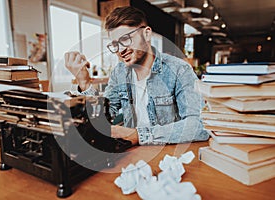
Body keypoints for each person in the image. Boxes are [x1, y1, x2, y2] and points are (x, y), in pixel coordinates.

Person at [64, 6, 209, 146]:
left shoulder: (179, 69)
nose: (121, 50)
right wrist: (84, 82)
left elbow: (200, 125)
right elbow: (103, 118)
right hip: (131, 156)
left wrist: (139, 135)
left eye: (125, 39)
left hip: (169, 154)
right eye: (115, 44)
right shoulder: (119, 73)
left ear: (146, 34)